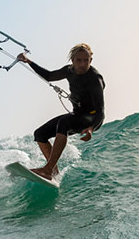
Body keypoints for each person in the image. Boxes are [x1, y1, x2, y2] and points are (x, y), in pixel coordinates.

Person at [17, 43, 105, 180]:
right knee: (40, 134)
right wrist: (28, 61)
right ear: (72, 60)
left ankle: (48, 169)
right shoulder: (68, 71)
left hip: (90, 117)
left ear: (91, 60)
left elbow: (100, 111)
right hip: (76, 115)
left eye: (86, 60)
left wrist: (91, 129)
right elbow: (49, 75)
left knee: (64, 122)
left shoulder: (95, 78)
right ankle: (53, 172)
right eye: (79, 60)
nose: (82, 64)